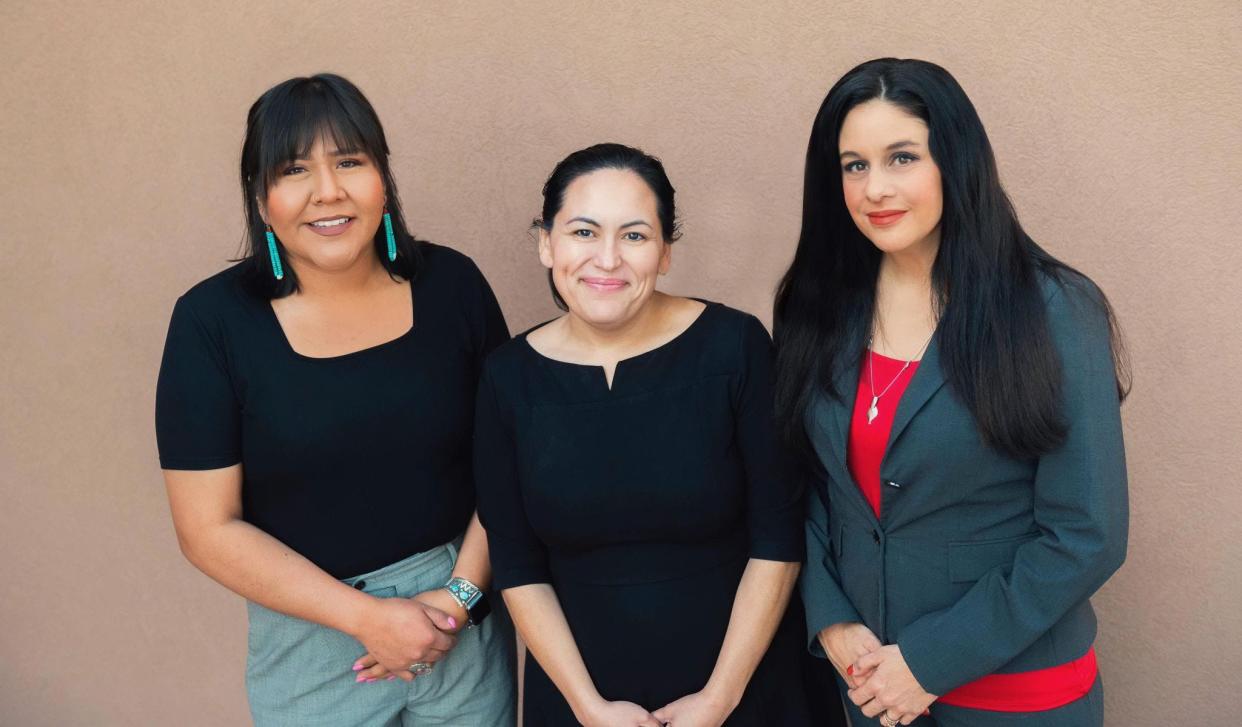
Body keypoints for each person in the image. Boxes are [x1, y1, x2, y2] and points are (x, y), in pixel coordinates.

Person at [775, 58, 1130, 727]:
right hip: (871, 686)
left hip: (1015, 695)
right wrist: (831, 617)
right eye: (854, 165)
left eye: (901, 157)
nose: (875, 187)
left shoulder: (1054, 309)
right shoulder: (818, 307)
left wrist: (930, 662)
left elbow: (1087, 533)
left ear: (955, 162)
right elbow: (815, 483)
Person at [155, 73, 515, 726]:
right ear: (262, 198)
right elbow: (206, 528)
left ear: (384, 177)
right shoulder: (213, 324)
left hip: (459, 615)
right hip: (315, 639)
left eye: (350, 161)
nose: (329, 191)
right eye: (295, 170)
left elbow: (508, 462)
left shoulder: (453, 287)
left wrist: (459, 597)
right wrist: (367, 618)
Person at [473, 143, 812, 727]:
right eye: (583, 232)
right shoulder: (507, 377)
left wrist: (720, 699)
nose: (607, 260)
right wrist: (588, 707)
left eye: (634, 236)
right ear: (546, 243)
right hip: (582, 700)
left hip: (747, 690)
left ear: (665, 252)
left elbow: (779, 539)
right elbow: (516, 562)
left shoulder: (736, 346)